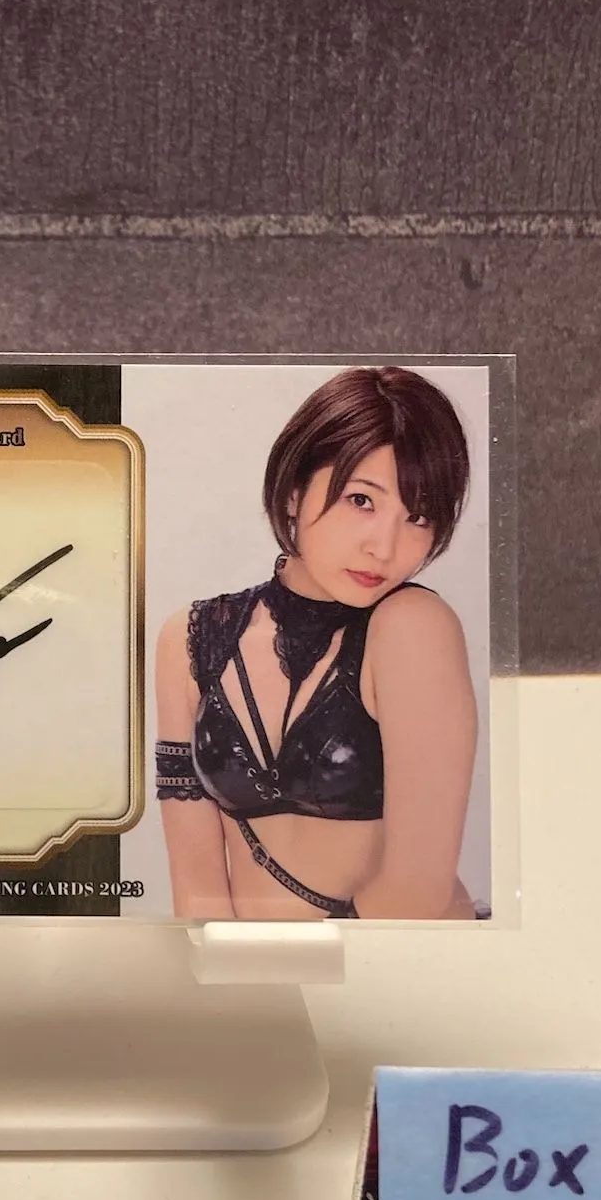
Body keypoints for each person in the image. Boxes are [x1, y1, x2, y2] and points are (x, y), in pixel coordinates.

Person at [154, 366, 478, 920]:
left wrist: (298, 969)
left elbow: (416, 893)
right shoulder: (192, 638)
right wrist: (233, 972)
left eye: (418, 516)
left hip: (394, 961)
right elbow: (197, 893)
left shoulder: (412, 627)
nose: (385, 547)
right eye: (362, 500)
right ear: (294, 493)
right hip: (259, 969)